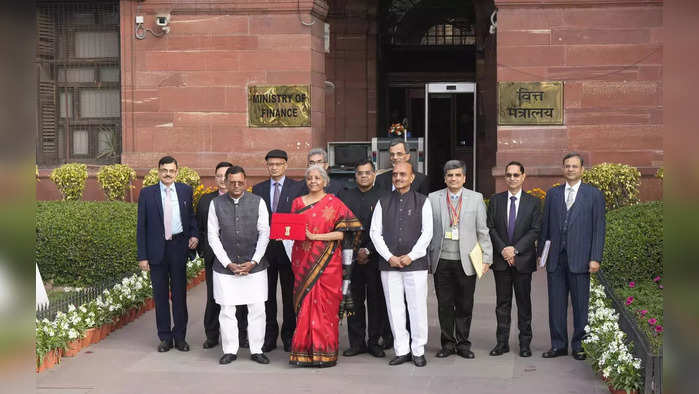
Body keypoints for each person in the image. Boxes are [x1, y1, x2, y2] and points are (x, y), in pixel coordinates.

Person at [288, 165, 362, 367]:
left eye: (317, 178)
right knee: (305, 305)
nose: (313, 181)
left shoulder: (334, 203)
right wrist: (283, 233)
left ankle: (324, 353)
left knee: (325, 308)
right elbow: (291, 229)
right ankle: (304, 352)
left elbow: (344, 233)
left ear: (325, 181)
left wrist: (315, 237)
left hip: (329, 262)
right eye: (310, 178)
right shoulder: (297, 203)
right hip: (302, 261)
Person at [539, 152, 605, 361]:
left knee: (580, 304)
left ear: (582, 170)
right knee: (556, 304)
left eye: (574, 166)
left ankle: (579, 345)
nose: (570, 169)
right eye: (567, 166)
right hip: (556, 260)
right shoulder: (553, 194)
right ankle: (558, 345)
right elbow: (545, 228)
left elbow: (598, 229)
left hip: (581, 259)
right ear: (563, 169)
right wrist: (543, 256)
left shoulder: (594, 195)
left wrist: (595, 257)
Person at [427, 160, 493, 359]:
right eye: (449, 175)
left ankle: (463, 343)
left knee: (465, 304)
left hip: (467, 260)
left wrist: (487, 257)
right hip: (441, 259)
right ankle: (448, 343)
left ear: (464, 178)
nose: (453, 178)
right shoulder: (433, 198)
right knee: (444, 304)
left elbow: (483, 230)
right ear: (445, 178)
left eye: (457, 175)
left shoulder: (475, 198)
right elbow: (427, 230)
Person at [370, 161, 433, 367]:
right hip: (389, 265)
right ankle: (402, 350)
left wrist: (411, 256)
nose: (398, 178)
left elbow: (427, 233)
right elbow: (374, 233)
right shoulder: (383, 201)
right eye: (395, 174)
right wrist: (389, 256)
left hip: (415, 264)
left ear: (412, 177)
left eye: (403, 174)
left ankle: (418, 350)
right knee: (394, 308)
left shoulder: (423, 201)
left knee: (417, 308)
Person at [207, 166, 271, 365]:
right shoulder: (215, 204)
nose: (236, 186)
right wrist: (228, 263)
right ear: (225, 182)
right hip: (225, 269)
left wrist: (254, 261)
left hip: (255, 267)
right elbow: (212, 236)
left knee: (257, 308)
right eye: (232, 182)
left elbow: (265, 233)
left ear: (246, 182)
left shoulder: (258, 202)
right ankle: (230, 350)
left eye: (240, 182)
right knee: (227, 310)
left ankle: (257, 349)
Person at [137, 156, 199, 352]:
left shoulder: (185, 191)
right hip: (156, 250)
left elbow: (191, 218)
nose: (168, 174)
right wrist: (142, 256)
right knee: (161, 296)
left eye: (171, 170)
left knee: (179, 295)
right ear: (158, 171)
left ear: (177, 172)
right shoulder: (147, 194)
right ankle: (165, 337)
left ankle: (180, 337)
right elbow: (142, 226)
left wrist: (195, 235)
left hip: (178, 248)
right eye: (164, 170)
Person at [486, 161, 541, 358]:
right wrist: (503, 249)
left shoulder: (533, 202)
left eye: (516, 175)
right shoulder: (496, 200)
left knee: (524, 304)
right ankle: (502, 343)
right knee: (502, 304)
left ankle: (525, 344)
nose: (512, 178)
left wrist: (515, 250)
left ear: (523, 177)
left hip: (523, 261)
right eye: (508, 175)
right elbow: (490, 227)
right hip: (501, 262)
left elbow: (535, 230)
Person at [337, 159, 391, 358]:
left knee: (376, 302)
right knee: (354, 302)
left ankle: (374, 341)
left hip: (375, 257)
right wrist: (354, 250)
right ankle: (356, 342)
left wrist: (367, 250)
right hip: (350, 257)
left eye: (368, 172)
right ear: (355, 176)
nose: (364, 176)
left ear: (374, 174)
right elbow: (339, 224)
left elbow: (387, 228)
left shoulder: (384, 197)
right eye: (360, 173)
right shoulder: (344, 196)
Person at [251, 149, 303, 352]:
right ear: (267, 166)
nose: (274, 167)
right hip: (265, 251)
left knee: (290, 297)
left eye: (278, 164)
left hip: (289, 250)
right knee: (267, 296)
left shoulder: (297, 187)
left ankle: (289, 336)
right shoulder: (258, 189)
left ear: (285, 165)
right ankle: (269, 337)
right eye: (271, 164)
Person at [197, 161, 249, 350]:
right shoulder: (206, 200)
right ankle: (212, 335)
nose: (222, 179)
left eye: (225, 176)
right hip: (214, 257)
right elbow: (200, 228)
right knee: (214, 297)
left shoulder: (246, 200)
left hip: (239, 257)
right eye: (218, 175)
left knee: (240, 298)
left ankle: (242, 335)